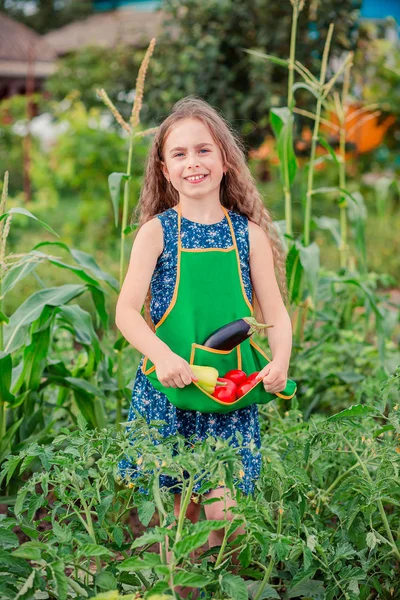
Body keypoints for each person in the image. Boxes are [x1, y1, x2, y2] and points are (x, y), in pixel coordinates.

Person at [115, 95, 292, 592]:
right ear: (164, 169)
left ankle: (225, 587)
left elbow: (274, 315)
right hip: (168, 392)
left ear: (225, 159)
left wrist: (279, 359)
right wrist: (163, 357)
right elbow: (126, 312)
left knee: (227, 514)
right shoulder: (156, 233)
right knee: (177, 517)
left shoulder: (248, 235)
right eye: (179, 154)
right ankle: (181, 589)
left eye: (204, 150)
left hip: (229, 395)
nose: (193, 162)